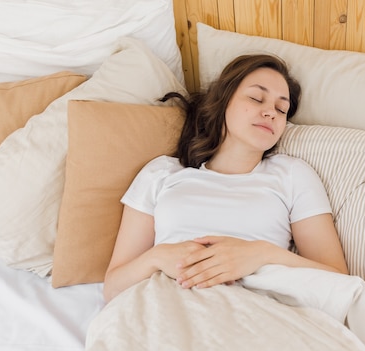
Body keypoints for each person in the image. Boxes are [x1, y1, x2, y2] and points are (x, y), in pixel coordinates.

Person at [103, 54, 348, 303]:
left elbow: (339, 281)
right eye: (256, 98)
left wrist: (261, 254)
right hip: (165, 304)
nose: (270, 113)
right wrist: (156, 257)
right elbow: (112, 288)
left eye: (281, 109)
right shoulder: (161, 173)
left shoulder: (293, 175)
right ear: (223, 102)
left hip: (253, 312)